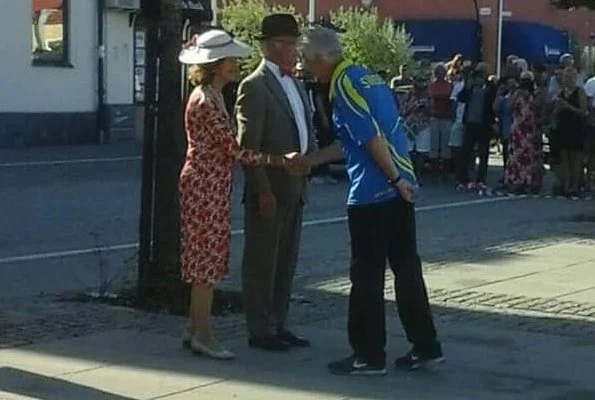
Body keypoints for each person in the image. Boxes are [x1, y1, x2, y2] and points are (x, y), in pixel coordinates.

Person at [301, 26, 443, 376]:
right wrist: (313, 160)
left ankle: (368, 354)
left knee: (366, 275)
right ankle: (425, 346)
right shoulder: (367, 77)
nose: (303, 68)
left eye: (305, 60)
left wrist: (392, 178)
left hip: (373, 192)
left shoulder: (343, 86)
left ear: (322, 57)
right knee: (407, 270)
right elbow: (356, 141)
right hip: (399, 189)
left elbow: (371, 139)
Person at [177, 30, 306, 359]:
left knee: (206, 258)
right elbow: (235, 150)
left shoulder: (213, 94)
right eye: (231, 60)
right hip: (204, 185)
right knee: (206, 263)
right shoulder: (206, 99)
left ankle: (194, 328)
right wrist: (279, 160)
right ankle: (204, 335)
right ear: (217, 64)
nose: (236, 64)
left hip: (210, 185)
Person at [235, 14, 317, 352]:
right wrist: (262, 188)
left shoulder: (295, 83)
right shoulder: (254, 86)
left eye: (296, 43)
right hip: (270, 187)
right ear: (271, 46)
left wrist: (310, 158)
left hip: (296, 185)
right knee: (262, 261)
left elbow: (305, 127)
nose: (295, 50)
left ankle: (280, 322)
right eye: (289, 43)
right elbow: (247, 147)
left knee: (286, 260)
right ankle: (260, 328)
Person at [456, 62, 497, 192]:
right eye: (478, 73)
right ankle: (462, 178)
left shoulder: (490, 88)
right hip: (470, 123)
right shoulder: (470, 86)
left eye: (482, 74)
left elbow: (492, 106)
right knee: (466, 152)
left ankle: (481, 179)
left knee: (483, 153)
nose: (480, 77)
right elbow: (460, 98)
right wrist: (468, 86)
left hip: (484, 125)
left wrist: (493, 123)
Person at [504, 71, 544, 194]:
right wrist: (516, 95)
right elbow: (508, 108)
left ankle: (532, 182)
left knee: (532, 156)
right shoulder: (516, 94)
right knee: (516, 157)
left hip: (531, 129)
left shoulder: (537, 93)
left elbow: (539, 108)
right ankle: (518, 181)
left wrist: (530, 97)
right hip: (518, 130)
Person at [555, 68, 589, 197]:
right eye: (565, 77)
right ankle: (566, 185)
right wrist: (557, 108)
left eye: (570, 77)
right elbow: (555, 112)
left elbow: (584, 111)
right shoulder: (561, 92)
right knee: (565, 158)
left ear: (575, 78)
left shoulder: (579, 92)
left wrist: (567, 106)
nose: (567, 80)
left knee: (575, 159)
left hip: (576, 127)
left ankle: (575, 186)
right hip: (563, 127)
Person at [429, 63, 453, 175]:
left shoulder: (450, 85)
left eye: (442, 71)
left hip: (446, 117)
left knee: (445, 143)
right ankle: (433, 168)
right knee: (434, 143)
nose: (440, 73)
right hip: (434, 116)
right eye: (438, 71)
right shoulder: (431, 85)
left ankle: (445, 169)